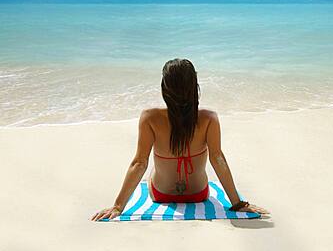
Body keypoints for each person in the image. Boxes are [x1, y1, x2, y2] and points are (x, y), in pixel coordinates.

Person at [91, 58, 269, 221]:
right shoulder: (209, 118)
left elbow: (139, 163)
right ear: (194, 88)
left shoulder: (149, 117)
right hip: (198, 193)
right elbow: (217, 159)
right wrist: (237, 203)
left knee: (152, 167)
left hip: (162, 195)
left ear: (164, 88)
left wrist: (118, 206)